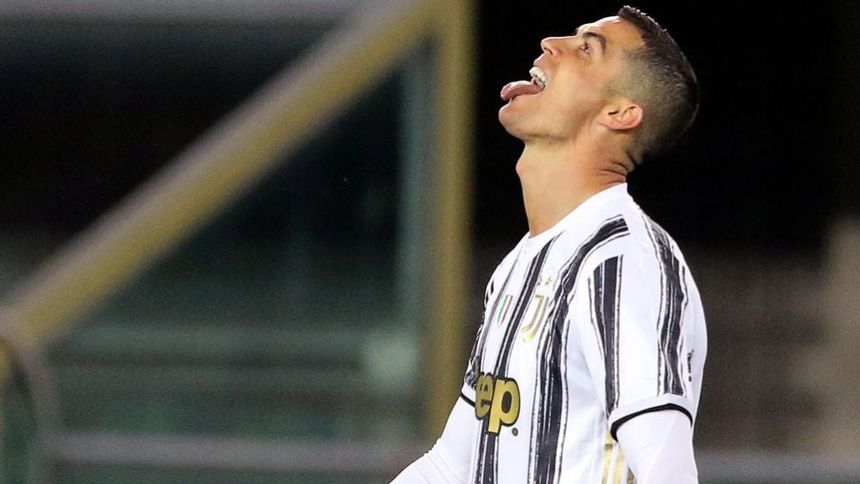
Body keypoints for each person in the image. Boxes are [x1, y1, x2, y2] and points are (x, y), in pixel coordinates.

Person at [392, 5, 706, 483]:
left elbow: (668, 471)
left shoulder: (622, 262)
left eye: (586, 49)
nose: (551, 44)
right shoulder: (521, 263)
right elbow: (452, 465)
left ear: (619, 113)